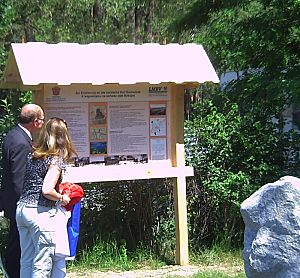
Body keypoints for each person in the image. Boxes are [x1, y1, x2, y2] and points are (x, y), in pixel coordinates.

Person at [15, 117, 76, 277]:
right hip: (39, 213)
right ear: (63, 136)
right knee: (42, 262)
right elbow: (47, 190)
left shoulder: (34, 154)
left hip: (22, 210)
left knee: (27, 259)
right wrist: (62, 198)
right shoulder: (56, 159)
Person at [0, 104, 44, 278]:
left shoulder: (13, 135)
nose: (42, 122)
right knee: (17, 242)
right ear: (35, 121)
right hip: (19, 203)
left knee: (17, 240)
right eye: (41, 119)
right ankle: (13, 272)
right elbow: (19, 178)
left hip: (12, 200)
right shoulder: (20, 142)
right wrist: (25, 205)